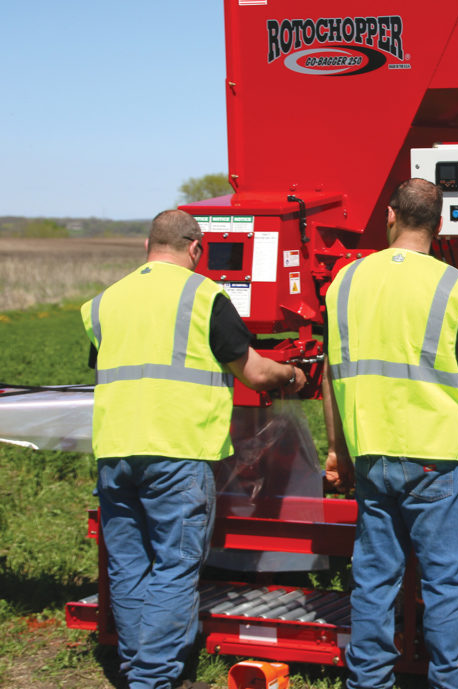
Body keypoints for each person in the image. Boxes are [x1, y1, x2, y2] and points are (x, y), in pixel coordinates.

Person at [81, 209, 307, 689]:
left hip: (115, 451)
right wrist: (294, 374)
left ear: (147, 246)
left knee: (129, 565)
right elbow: (254, 373)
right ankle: (153, 678)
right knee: (174, 566)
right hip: (177, 452)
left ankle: (137, 669)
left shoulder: (105, 301)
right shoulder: (205, 296)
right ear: (197, 250)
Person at [321, 178, 458, 689]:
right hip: (433, 461)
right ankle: (452, 681)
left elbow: (331, 376)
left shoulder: (343, 283)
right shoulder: (453, 287)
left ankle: (368, 682)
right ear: (441, 224)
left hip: (370, 458)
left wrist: (337, 451)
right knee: (449, 583)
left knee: (373, 580)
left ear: (390, 216)